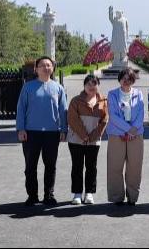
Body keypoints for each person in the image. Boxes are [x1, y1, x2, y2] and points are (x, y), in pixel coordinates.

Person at [16, 57, 68, 206]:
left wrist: (64, 129)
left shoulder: (58, 88)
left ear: (53, 68)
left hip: (52, 133)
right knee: (30, 166)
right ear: (36, 69)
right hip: (31, 133)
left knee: (50, 166)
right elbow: (21, 108)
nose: (46, 68)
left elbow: (63, 110)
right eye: (42, 65)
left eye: (49, 65)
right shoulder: (28, 87)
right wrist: (21, 128)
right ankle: (32, 196)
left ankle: (49, 195)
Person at [67, 74, 109, 206]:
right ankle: (77, 194)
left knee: (91, 167)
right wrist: (83, 135)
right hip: (76, 140)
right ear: (84, 86)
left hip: (94, 140)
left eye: (94, 84)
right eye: (88, 84)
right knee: (77, 166)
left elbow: (104, 120)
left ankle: (89, 193)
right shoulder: (76, 101)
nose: (91, 86)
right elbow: (72, 119)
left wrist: (92, 136)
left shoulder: (103, 101)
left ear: (98, 85)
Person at [106, 67, 145, 206]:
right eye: (123, 78)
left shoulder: (139, 94)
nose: (126, 81)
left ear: (133, 80)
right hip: (117, 134)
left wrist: (133, 131)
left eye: (129, 79)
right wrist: (128, 130)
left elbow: (141, 114)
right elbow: (113, 116)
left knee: (134, 167)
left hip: (136, 134)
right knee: (115, 166)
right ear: (120, 79)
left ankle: (132, 197)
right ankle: (117, 196)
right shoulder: (112, 94)